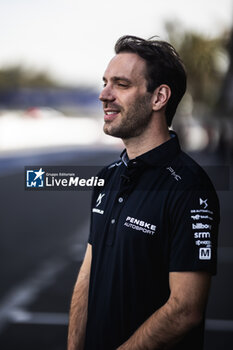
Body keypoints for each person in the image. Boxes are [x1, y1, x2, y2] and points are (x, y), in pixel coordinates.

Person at [67, 35, 220, 350]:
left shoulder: (189, 187)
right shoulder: (107, 177)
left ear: (159, 97)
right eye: (105, 82)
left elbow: (185, 309)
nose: (103, 95)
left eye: (121, 85)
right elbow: (88, 274)